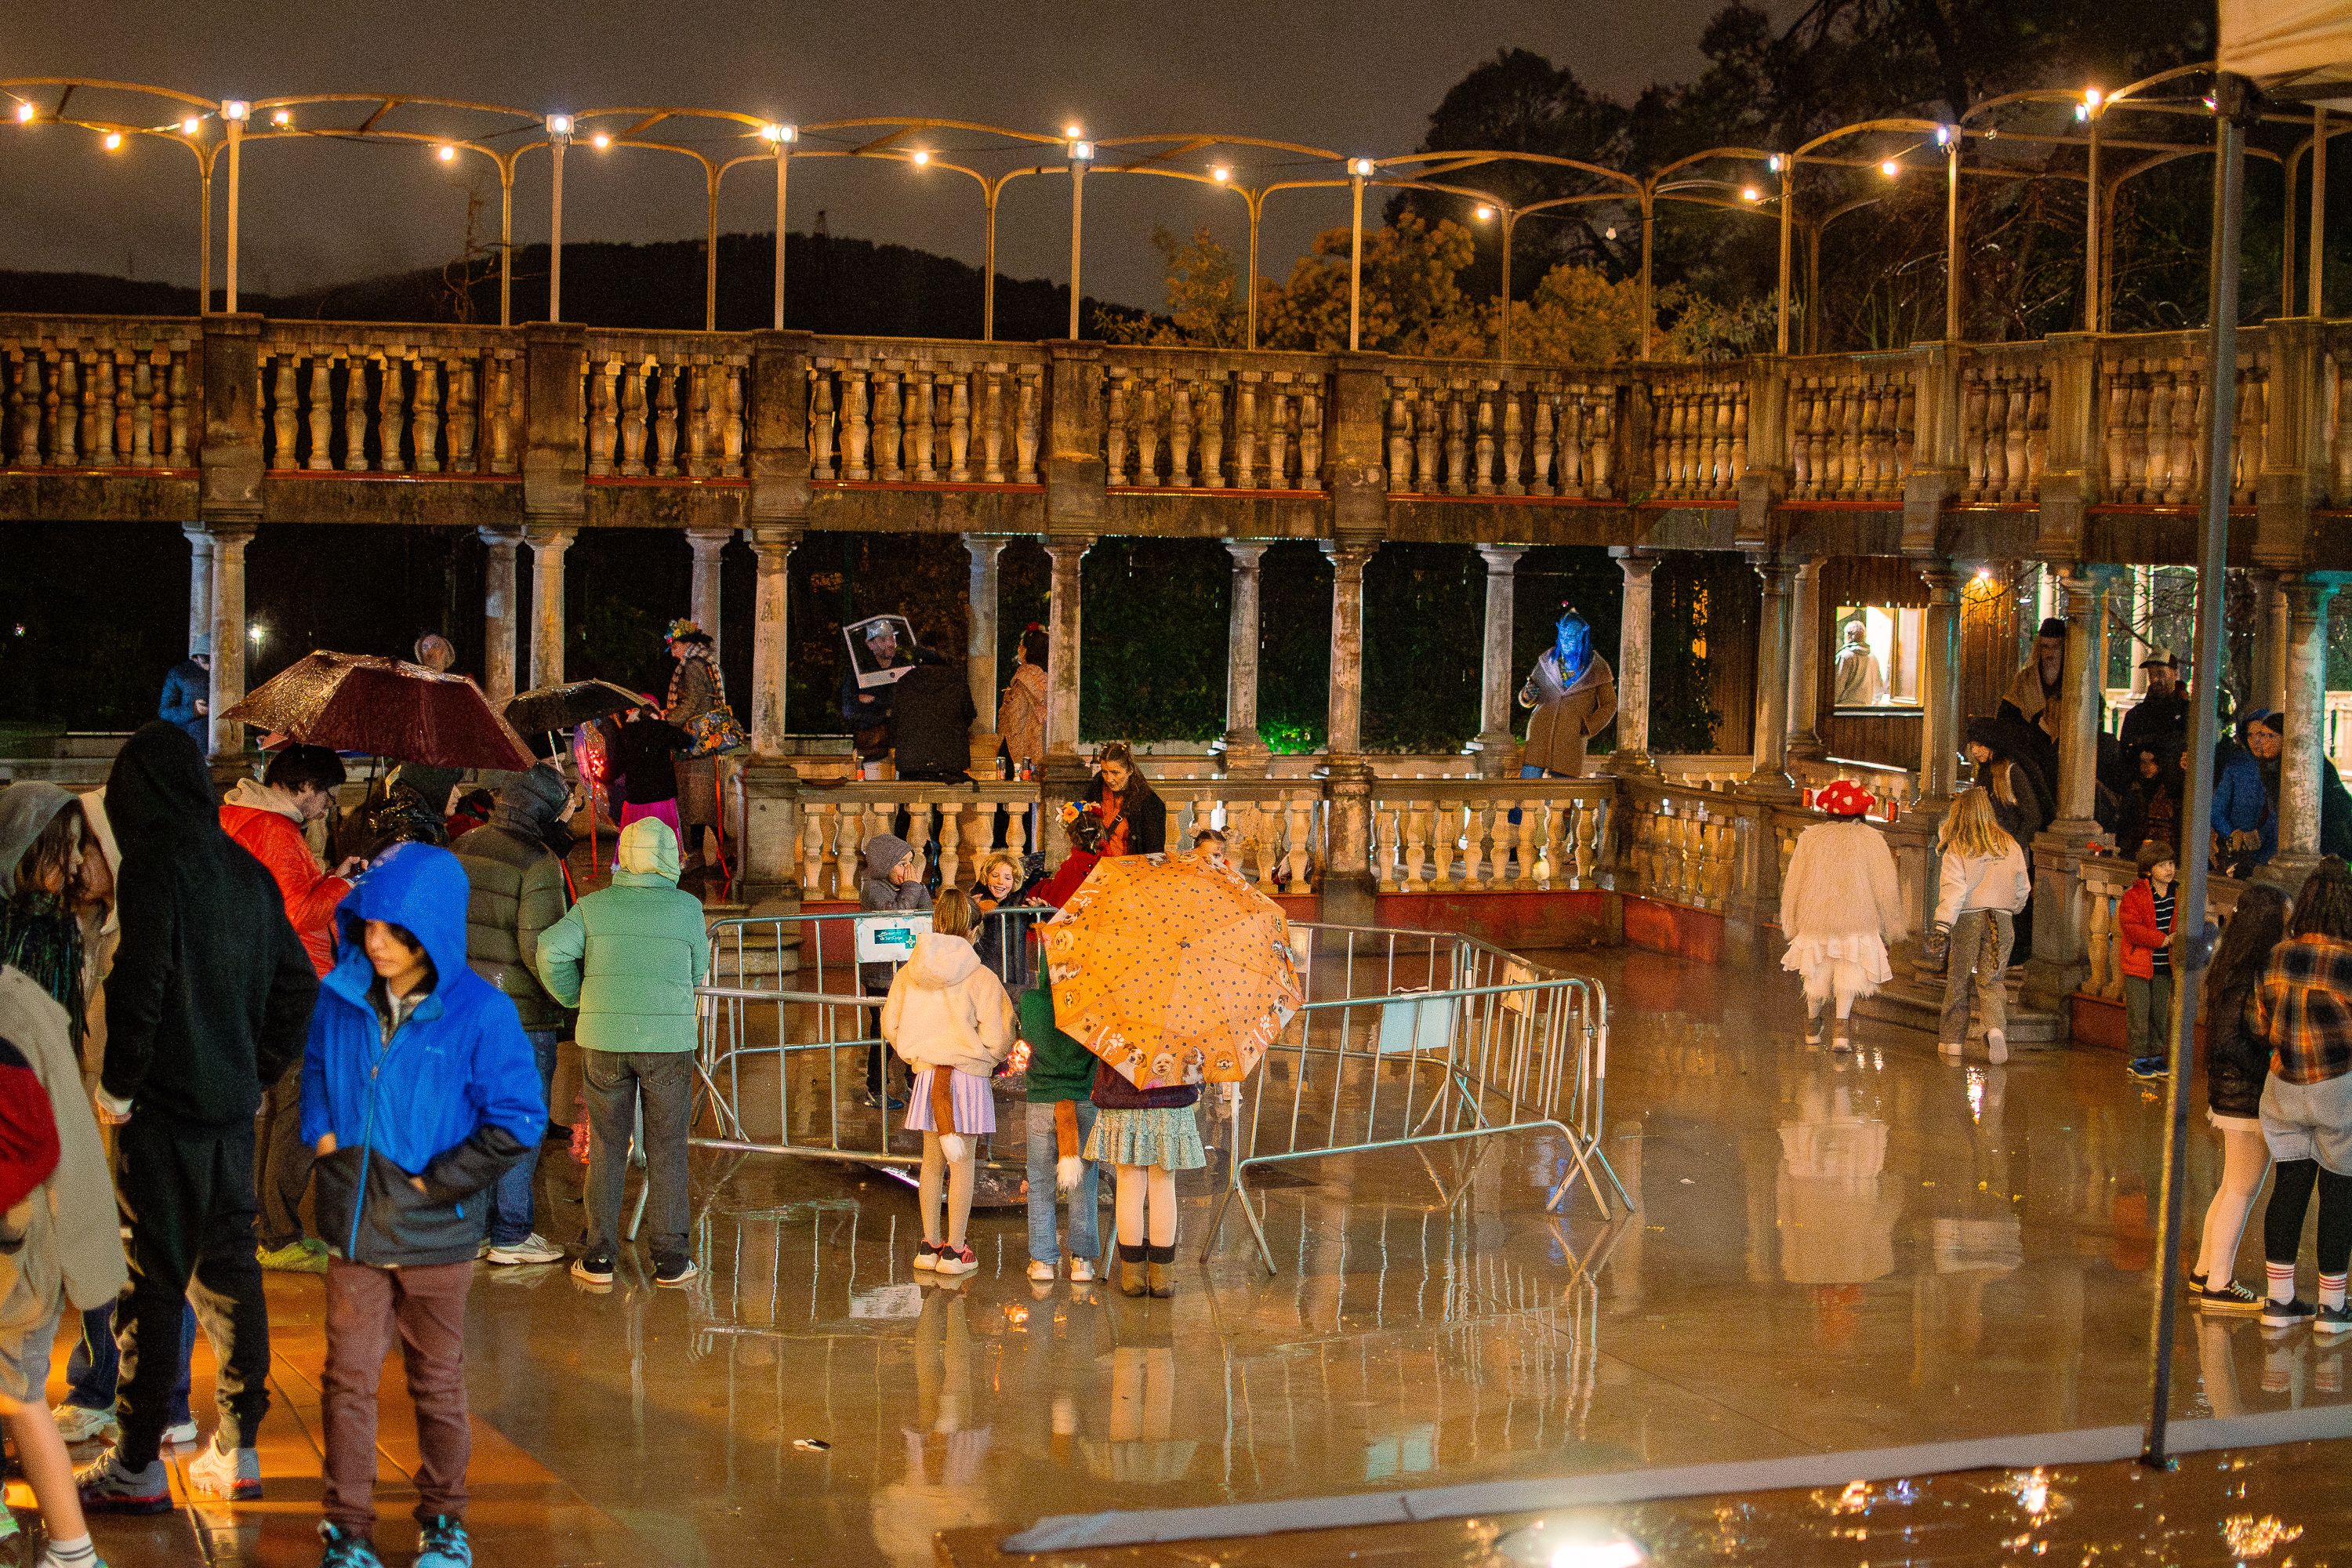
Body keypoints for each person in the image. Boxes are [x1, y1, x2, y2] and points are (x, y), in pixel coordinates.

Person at [78, 723, 318, 1515]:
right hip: (225, 1112)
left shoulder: (155, 865)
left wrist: (118, 1086)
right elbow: (297, 983)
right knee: (230, 1273)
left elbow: (142, 979)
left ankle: (140, 1456)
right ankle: (239, 1446)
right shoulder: (245, 870)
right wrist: (254, 1069)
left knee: (152, 1280)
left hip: (162, 1113)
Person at [301, 844, 546, 1568]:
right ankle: (346, 1529)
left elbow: (519, 1119)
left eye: (395, 932)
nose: (375, 943)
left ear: (432, 933)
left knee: (434, 1383)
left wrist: (432, 1184)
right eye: (369, 925)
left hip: (436, 1234)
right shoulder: (339, 996)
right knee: (346, 1379)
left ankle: (444, 1523)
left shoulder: (482, 1012)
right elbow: (315, 1070)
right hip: (354, 1224)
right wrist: (322, 1137)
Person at [48, 785, 200, 1457]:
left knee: (148, 1255)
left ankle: (159, 1398)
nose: (77, 863)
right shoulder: (77, 928)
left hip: (139, 1117)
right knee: (94, 1248)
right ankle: (97, 1385)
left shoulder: (147, 929)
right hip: (88, 1115)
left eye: (88, 848)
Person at [0, 876, 127, 1568]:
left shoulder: (5, 1013)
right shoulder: (20, 995)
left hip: (19, 1249)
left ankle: (74, 1552)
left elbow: (28, 1144)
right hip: (31, 1239)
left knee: (19, 1399)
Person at [535, 817, 711, 1289]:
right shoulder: (688, 908)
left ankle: (598, 1257)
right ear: (670, 856)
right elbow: (698, 971)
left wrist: (575, 997)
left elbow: (549, 948)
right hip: (668, 1044)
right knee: (667, 1148)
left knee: (609, 1146)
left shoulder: (594, 907)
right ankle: (672, 1260)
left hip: (604, 1040)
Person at [223, 744, 365, 1273]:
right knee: (305, 1106)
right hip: (295, 979)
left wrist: (330, 872)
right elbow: (299, 911)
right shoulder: (277, 833)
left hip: (251, 976)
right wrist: (344, 884)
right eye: (327, 795)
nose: (328, 806)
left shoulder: (236, 816)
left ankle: (262, 1223)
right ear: (304, 786)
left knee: (279, 1105)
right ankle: (280, 1233)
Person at [451, 763, 575, 1269]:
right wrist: (567, 1000)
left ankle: (475, 1229)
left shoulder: (464, 846)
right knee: (520, 1120)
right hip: (520, 1015)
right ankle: (511, 1231)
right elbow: (539, 948)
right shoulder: (538, 863)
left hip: (462, 1007)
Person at [880, 889, 1017, 1279]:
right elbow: (1000, 1032)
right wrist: (988, 1057)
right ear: (973, 929)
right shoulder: (981, 976)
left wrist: (917, 1056)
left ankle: (929, 1245)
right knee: (962, 1166)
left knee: (931, 1163)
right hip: (969, 1079)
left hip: (927, 1077)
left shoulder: (910, 972)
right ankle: (956, 1251)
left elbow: (891, 1023)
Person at [2252, 858, 2352, 1333]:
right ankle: (2331, 1308)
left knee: (2288, 1188)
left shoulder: (2278, 954)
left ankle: (2279, 1301)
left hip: (2282, 1086)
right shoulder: (2349, 959)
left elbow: (2258, 1023)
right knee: (2338, 1194)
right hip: (2338, 1088)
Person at [2193, 881, 2288, 1312]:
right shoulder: (2250, 972)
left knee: (2231, 1187)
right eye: (2284, 922)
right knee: (2241, 1190)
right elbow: (2234, 1039)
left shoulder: (2231, 965)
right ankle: (2220, 1284)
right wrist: (2266, 1075)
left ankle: (2204, 1271)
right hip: (2245, 1095)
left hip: (2230, 1092)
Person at [1777, 779, 1906, 1052]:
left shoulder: (1810, 838)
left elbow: (1794, 883)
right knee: (1849, 974)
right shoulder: (1873, 840)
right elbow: (1885, 888)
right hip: (1858, 919)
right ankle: (1841, 1032)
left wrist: (1790, 920)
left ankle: (1812, 1027)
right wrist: (1892, 927)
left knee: (1815, 973)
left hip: (1816, 918)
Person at [1085, 1007, 1204, 1301]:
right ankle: (1162, 1279)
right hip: (1171, 1101)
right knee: (1164, 1186)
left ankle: (1132, 1277)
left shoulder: (1112, 992)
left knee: (1128, 1187)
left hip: (1122, 1100)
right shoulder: (1187, 997)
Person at [1930, 786, 2031, 1065]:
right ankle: (1996, 1028)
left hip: (1969, 918)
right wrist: (2013, 909)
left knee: (1959, 978)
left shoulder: (1958, 846)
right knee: (1992, 979)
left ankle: (1952, 1042)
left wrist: (1942, 925)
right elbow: (2022, 884)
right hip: (2002, 918)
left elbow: (1955, 889)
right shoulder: (2008, 843)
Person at [1018, 976, 1098, 1285]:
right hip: (1083, 1100)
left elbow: (1023, 1049)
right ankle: (1082, 1262)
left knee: (1039, 1183)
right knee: (1083, 1181)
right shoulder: (1091, 1002)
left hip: (1041, 1100)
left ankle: (1042, 1261)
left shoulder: (1030, 1003)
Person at [859, 833, 927, 1108]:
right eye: (901, 864)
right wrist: (912, 887)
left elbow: (924, 916)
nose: (907, 871)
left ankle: (915, 1083)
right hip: (882, 975)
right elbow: (896, 915)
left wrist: (916, 888)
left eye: (910, 864)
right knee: (884, 1032)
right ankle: (875, 1087)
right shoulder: (873, 889)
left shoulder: (909, 887)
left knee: (915, 1027)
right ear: (884, 865)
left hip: (909, 970)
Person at [1518, 612, 1617, 779]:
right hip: (1539, 735)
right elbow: (1527, 696)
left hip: (1570, 741)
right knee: (1525, 789)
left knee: (1563, 793)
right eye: (1563, 635)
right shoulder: (1547, 661)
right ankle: (1519, 807)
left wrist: (1590, 726)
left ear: (1583, 635)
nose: (1567, 640)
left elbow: (1610, 704)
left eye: (1572, 635)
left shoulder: (1597, 667)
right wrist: (1527, 695)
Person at [662, 620, 725, 877]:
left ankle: (702, 854)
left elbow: (694, 702)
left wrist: (668, 717)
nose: (673, 651)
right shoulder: (703, 663)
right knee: (700, 804)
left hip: (695, 744)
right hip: (702, 745)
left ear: (687, 644)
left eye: (675, 646)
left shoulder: (694, 666)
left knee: (696, 804)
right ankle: (707, 854)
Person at [2119, 840, 2180, 1083]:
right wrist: (2162, 940)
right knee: (2139, 1012)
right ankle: (2138, 1058)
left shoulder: (2178, 894)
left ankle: (2155, 1054)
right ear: (2148, 869)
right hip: (2139, 964)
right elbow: (2132, 929)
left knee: (2159, 1012)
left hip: (2165, 966)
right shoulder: (2135, 895)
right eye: (2163, 865)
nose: (2169, 870)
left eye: (2171, 864)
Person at [606, 701, 692, 844]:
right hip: (662, 796)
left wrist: (605, 777)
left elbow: (617, 763)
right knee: (662, 837)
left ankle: (636, 862)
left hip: (636, 797)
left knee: (637, 839)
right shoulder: (663, 729)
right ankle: (663, 861)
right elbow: (688, 741)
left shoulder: (626, 734)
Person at [891, 655, 979, 784]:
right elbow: (969, 716)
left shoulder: (904, 682)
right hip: (950, 764)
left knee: (913, 802)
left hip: (911, 763)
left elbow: (895, 720)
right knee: (949, 803)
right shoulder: (957, 680)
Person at [2213, 714, 2278, 878]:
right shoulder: (2237, 766)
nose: (2257, 740)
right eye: (2251, 735)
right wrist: (2232, 833)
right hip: (2238, 853)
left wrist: (2260, 835)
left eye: (2262, 735)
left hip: (2272, 854)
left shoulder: (2281, 768)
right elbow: (2216, 810)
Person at [841, 619, 915, 763]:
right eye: (882, 639)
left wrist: (874, 701)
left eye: (892, 638)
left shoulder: (905, 668)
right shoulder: (859, 673)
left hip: (902, 746)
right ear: (870, 644)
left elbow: (909, 704)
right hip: (871, 749)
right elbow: (848, 710)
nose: (890, 644)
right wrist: (885, 711)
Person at [1999, 616, 2070, 757]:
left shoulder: (2074, 683)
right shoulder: (2024, 681)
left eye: (2056, 647)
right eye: (2046, 647)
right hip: (2031, 755)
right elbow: (2006, 720)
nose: (2050, 654)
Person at [972, 850, 1037, 990]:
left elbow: (1035, 925)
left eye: (1008, 878)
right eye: (995, 876)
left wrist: (1038, 911)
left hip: (1015, 969)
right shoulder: (977, 899)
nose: (1000, 882)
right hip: (985, 966)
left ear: (1015, 881)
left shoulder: (1021, 901)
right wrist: (973, 909)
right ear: (986, 877)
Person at [1088, 742, 1166, 857]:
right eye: (1105, 772)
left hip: (1128, 869)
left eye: (1115, 773)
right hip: (1097, 866)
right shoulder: (1096, 788)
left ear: (1130, 770)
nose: (1109, 779)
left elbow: (1154, 852)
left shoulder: (1150, 804)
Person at [998, 624, 1048, 779]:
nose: (1019, 648)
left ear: (1027, 650)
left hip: (1019, 750)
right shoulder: (1048, 677)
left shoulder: (1024, 677)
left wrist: (1006, 703)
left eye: (1021, 645)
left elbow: (1014, 719)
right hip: (1042, 743)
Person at [2118, 741, 2183, 858]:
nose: (2147, 766)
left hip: (2163, 851)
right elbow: (2126, 822)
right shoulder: (2133, 789)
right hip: (2136, 850)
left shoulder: (2169, 790)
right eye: (2143, 762)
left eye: (2151, 762)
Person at [2119, 650, 2189, 757]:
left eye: (2161, 673)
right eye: (2151, 674)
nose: (2155, 679)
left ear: (2175, 674)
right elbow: (2124, 757)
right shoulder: (2135, 716)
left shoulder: (2187, 712)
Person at [158, 649, 211, 753]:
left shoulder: (230, 672)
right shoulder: (179, 673)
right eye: (206, 659)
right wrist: (193, 710)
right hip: (192, 746)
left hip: (226, 746)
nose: (209, 666)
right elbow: (164, 712)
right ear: (196, 657)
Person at [1832, 620, 1884, 707]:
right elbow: (1878, 689)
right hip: (1866, 711)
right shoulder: (1873, 658)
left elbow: (1837, 687)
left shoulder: (1845, 656)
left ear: (1848, 636)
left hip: (1844, 711)